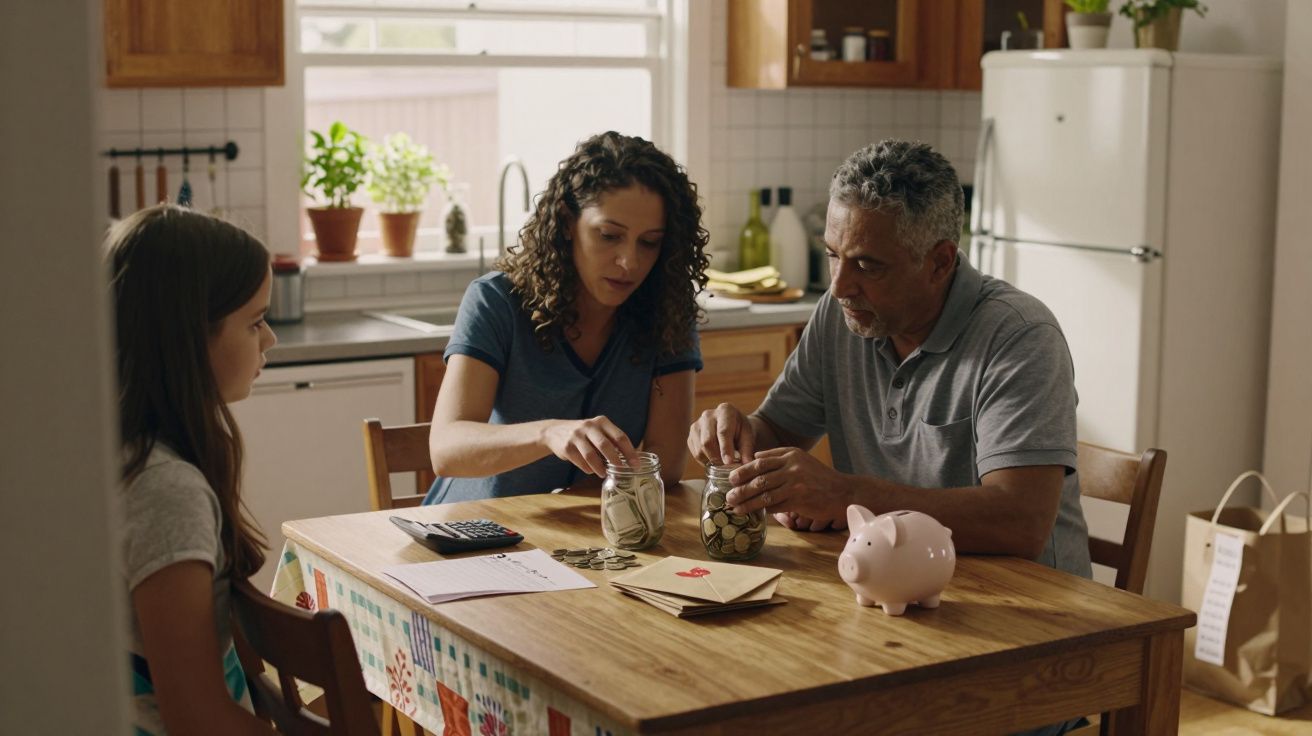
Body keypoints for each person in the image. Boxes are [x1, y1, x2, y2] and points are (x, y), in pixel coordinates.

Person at [687, 140, 1092, 580]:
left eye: (867, 265)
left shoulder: (1019, 336)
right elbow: (779, 429)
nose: (840, 286)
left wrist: (845, 496)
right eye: (832, 255)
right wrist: (737, 434)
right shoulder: (841, 315)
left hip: (1030, 606)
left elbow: (1020, 522)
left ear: (939, 262)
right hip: (891, 582)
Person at [425, 131, 709, 503]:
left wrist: (580, 503)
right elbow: (446, 449)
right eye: (609, 235)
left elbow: (667, 462)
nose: (630, 262)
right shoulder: (496, 301)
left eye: (649, 242)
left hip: (582, 533)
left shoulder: (667, 311)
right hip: (468, 530)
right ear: (566, 222)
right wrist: (549, 434)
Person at [109, 204, 278, 735]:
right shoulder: (165, 489)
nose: (269, 339)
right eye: (254, 322)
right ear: (188, 337)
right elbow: (198, 719)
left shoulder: (123, 451)